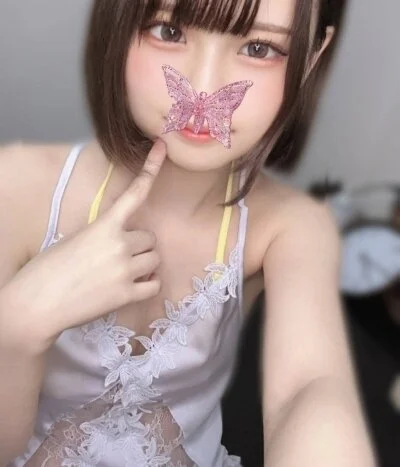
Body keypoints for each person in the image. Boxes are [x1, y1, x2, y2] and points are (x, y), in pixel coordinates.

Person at [0, 0, 377, 465]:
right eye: (169, 31)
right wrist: (18, 324)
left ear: (312, 57)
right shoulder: (15, 186)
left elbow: (310, 386)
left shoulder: (291, 226)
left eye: (259, 48)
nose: (202, 87)